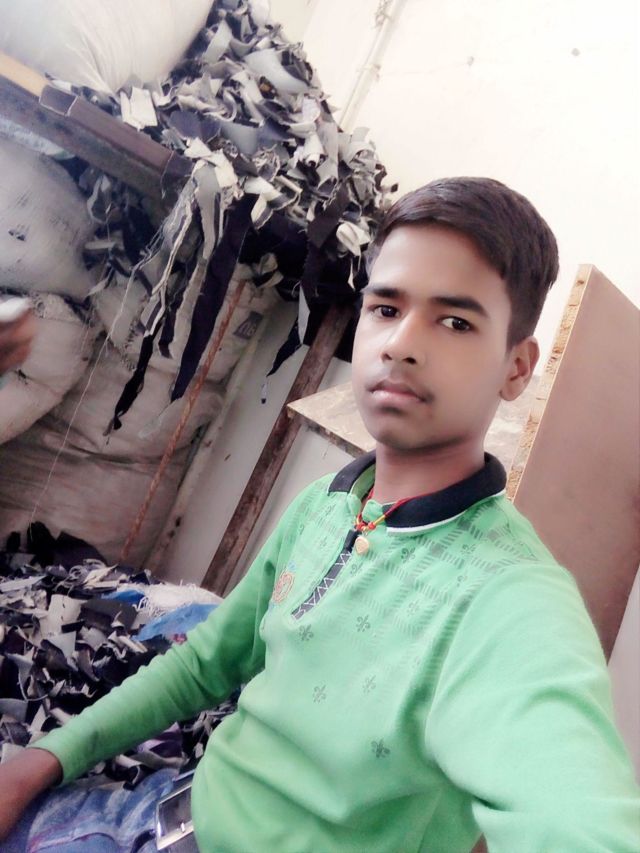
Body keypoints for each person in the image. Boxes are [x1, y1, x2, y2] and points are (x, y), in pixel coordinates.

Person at [1, 177, 639, 852]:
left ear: (516, 367)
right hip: (164, 816)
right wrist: (42, 760)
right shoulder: (325, 506)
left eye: (455, 321)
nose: (401, 344)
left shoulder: (511, 597)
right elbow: (207, 663)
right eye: (386, 308)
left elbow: (576, 818)